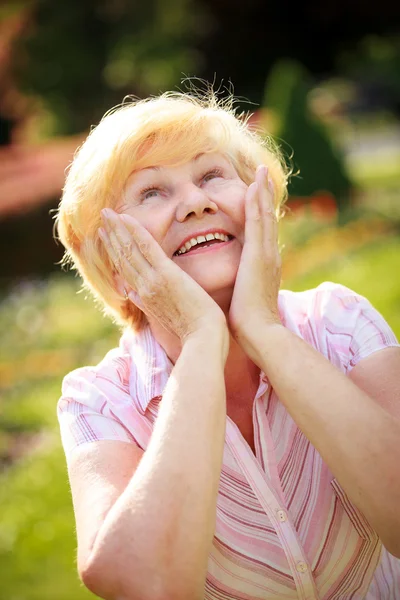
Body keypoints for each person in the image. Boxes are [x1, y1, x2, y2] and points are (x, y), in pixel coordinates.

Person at [55, 90, 400, 600]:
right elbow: (145, 583)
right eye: (152, 192)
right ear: (111, 261)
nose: (196, 203)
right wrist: (200, 341)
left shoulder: (339, 322)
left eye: (211, 175)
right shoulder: (97, 400)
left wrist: (263, 329)